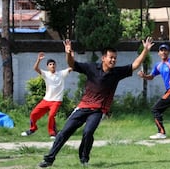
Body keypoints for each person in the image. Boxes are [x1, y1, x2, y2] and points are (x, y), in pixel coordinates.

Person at [38, 37, 154, 168]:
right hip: (83, 107)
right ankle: (49, 159)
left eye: (115, 58)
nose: (113, 60)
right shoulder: (91, 68)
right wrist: (67, 53)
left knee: (88, 132)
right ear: (103, 58)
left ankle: (84, 159)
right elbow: (72, 64)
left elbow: (135, 65)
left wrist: (145, 50)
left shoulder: (116, 73)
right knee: (64, 132)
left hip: (98, 110)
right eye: (111, 57)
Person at [21, 52, 72, 139]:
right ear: (48, 67)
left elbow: (71, 67)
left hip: (56, 101)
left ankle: (52, 133)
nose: (52, 65)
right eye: (50, 64)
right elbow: (35, 68)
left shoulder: (61, 73)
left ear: (55, 66)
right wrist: (39, 60)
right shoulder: (46, 74)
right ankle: (32, 129)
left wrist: (70, 56)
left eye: (53, 64)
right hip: (46, 100)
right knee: (33, 114)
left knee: (51, 115)